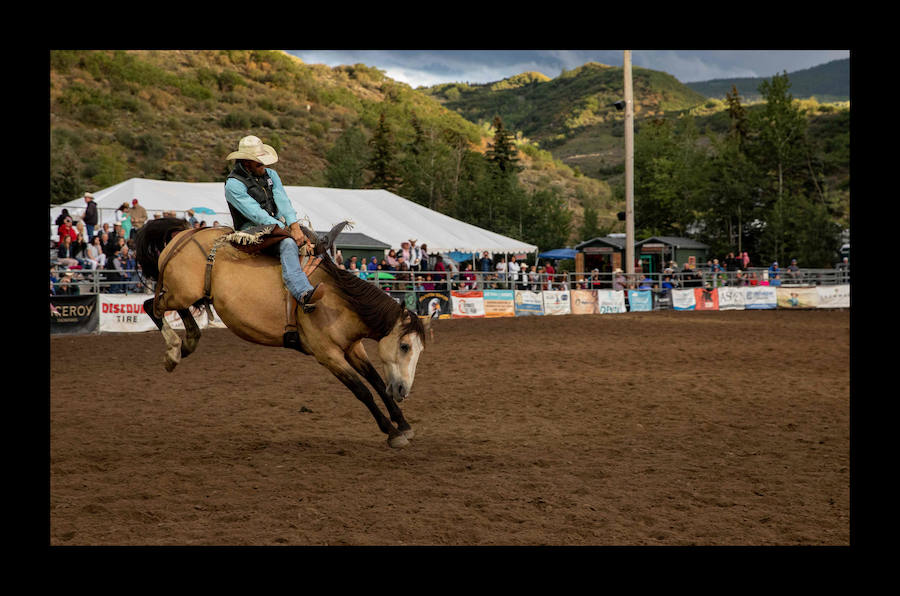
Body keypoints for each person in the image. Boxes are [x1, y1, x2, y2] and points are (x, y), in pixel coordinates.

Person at [224, 135, 320, 311]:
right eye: (260, 163)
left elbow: (282, 201)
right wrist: (287, 231)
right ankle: (302, 293)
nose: (264, 166)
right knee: (288, 244)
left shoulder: (271, 175)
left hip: (276, 224)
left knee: (316, 240)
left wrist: (295, 226)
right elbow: (256, 214)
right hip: (251, 230)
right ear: (247, 163)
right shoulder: (233, 185)